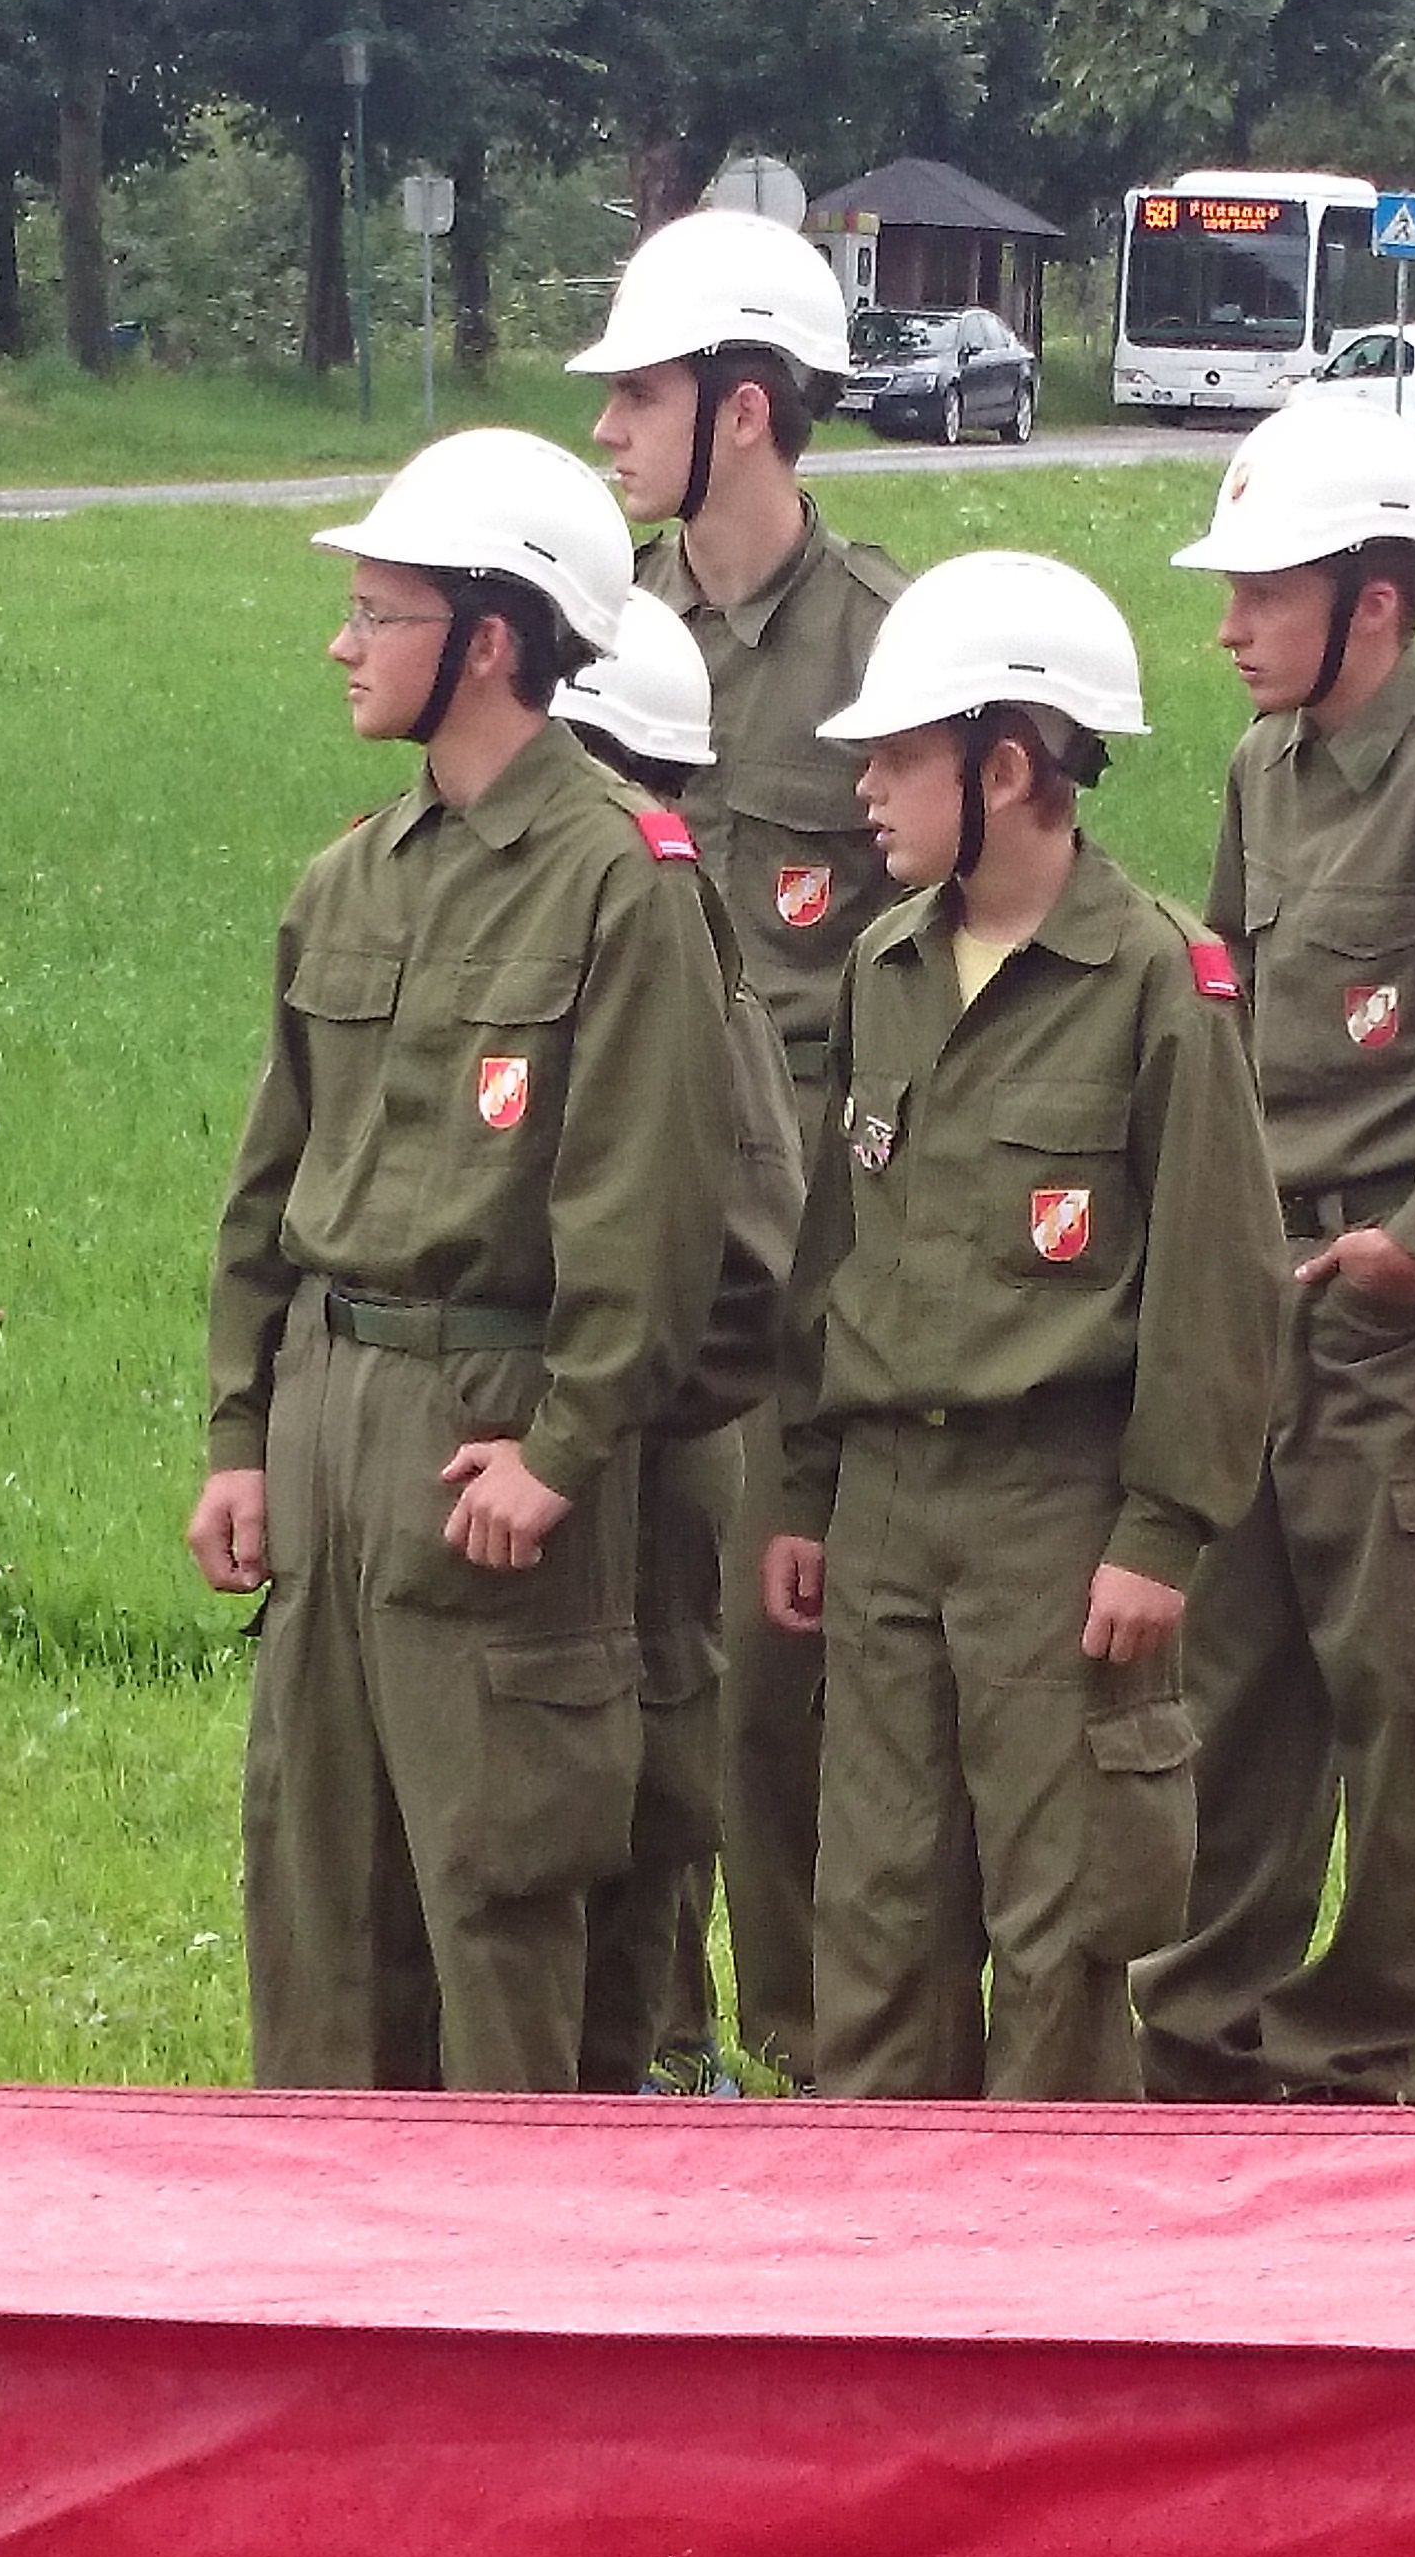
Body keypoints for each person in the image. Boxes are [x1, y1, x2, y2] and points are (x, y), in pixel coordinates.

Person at [186, 431, 734, 2094]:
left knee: (502, 1896)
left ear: (489, 640)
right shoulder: (350, 878)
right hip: (331, 1422)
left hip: (493, 1434)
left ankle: (521, 2243)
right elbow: (269, 1189)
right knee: (318, 1895)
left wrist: (564, 1450)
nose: (342, 644)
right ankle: (326, 2238)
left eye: (380, 613)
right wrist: (239, 1435)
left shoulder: (621, 886)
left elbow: (652, 1215)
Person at [763, 550, 1283, 2100]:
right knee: (877, 1911)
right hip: (886, 1505)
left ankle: (1048, 2241)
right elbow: (831, 1254)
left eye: (899, 757)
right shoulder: (884, 966)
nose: (865, 790)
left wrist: (1162, 1533)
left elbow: (1220, 1288)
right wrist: (801, 1489)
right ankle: (882, 2233)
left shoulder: (1158, 985)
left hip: (1057, 1513)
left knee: (1061, 1924)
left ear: (1007, 768)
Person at [1133, 393, 1415, 2109]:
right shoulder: (1263, 770)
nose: (1230, 627)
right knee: (1235, 1664)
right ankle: (1204, 2025)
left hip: (1413, 1304)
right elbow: (1229, 1018)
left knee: (1411, 1683)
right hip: (1270, 1284)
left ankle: (1359, 2043)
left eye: (1265, 593)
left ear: (1374, 603)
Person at [567, 209, 905, 2088]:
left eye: (642, 393)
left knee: (777, 1667)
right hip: (619, 1215)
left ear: (748, 409)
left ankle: (798, 2038)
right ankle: (654, 2030)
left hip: (811, 1240)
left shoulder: (886, 649)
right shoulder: (591, 628)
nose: (609, 430)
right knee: (620, 1628)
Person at [549, 595, 806, 2093]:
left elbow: (755, 1265)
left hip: (648, 1451)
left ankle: (659, 2051)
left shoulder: (685, 961)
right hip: (561, 1434)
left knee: (650, 1749)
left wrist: (607, 1411)